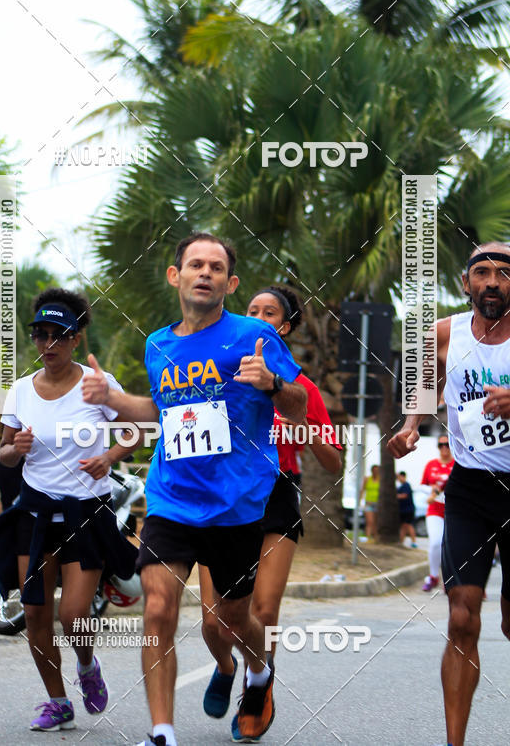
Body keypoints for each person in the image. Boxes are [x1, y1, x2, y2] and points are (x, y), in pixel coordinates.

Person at [81, 233, 308, 746]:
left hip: (237, 503)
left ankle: (258, 670)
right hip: (172, 496)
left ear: (230, 283)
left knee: (231, 618)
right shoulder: (158, 344)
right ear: (175, 275)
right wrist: (112, 398)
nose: (204, 273)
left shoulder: (255, 334)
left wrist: (272, 383)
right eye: (195, 264)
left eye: (216, 267)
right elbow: (160, 411)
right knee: (158, 606)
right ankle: (162, 732)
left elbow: (299, 407)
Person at [0, 288, 138, 732]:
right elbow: (5, 454)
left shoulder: (97, 386)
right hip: (34, 512)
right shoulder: (20, 392)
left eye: (58, 336)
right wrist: (16, 448)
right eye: (40, 335)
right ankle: (57, 701)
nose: (48, 345)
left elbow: (136, 433)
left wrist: (109, 458)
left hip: (85, 512)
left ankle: (87, 665)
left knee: (72, 614)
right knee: (34, 613)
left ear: (76, 339)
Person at [198, 285, 342, 742]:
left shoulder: (301, 390)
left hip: (277, 496)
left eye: (270, 312)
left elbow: (333, 461)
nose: (259, 317)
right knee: (213, 620)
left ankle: (257, 690)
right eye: (252, 310)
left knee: (263, 608)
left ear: (285, 327)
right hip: (223, 497)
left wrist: (302, 423)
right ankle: (224, 666)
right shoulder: (218, 374)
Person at [388, 242, 510, 746]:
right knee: (462, 616)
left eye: (504, 274)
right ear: (466, 283)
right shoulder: (446, 332)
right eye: (482, 272)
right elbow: (421, 381)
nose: (492, 282)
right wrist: (411, 424)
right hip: (470, 488)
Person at [420, 434, 454, 591]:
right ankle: (433, 576)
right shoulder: (431, 464)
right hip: (435, 509)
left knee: (452, 545)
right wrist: (432, 490)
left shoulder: (458, 464)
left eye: (447, 444)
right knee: (435, 542)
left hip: (454, 510)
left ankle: (451, 580)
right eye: (441, 445)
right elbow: (422, 485)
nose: (444, 448)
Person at [396, 471, 417, 548]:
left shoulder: (406, 485)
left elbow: (405, 495)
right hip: (403, 510)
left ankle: (413, 542)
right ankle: (401, 541)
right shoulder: (401, 486)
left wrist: (395, 496)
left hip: (408, 510)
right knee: (404, 526)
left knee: (407, 525)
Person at [360, 464, 380, 540]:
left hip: (377, 504)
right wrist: (360, 501)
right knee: (369, 521)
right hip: (369, 503)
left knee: (375, 522)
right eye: (375, 470)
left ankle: (375, 538)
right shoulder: (367, 479)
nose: (376, 472)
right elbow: (362, 490)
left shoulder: (380, 479)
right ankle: (368, 537)